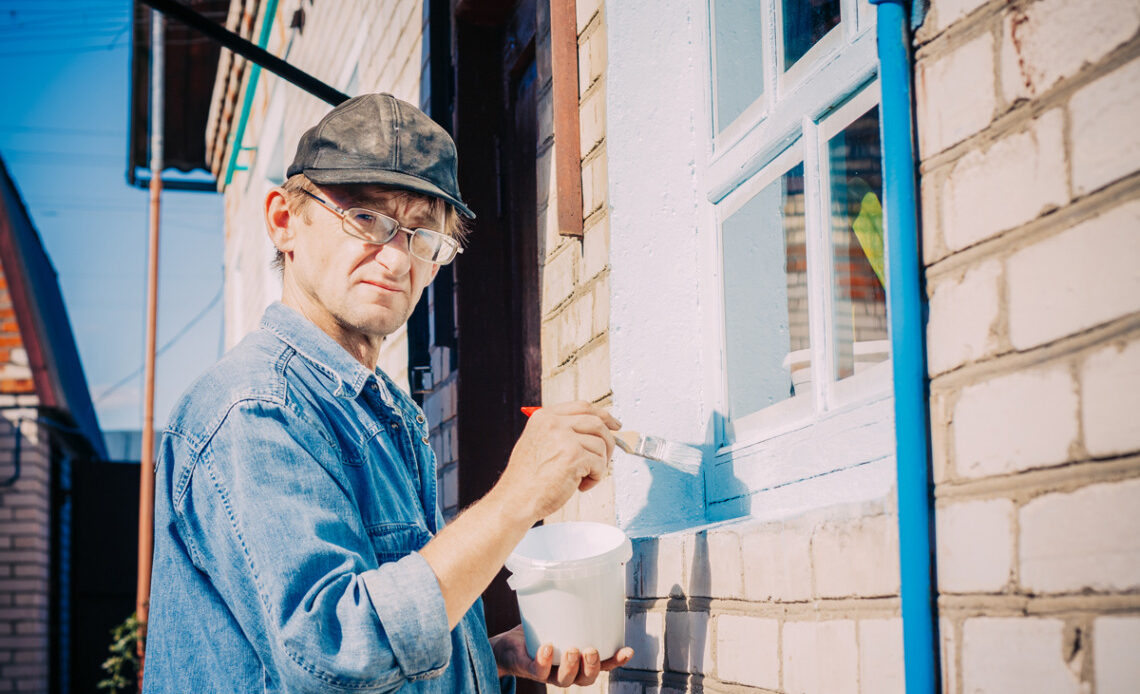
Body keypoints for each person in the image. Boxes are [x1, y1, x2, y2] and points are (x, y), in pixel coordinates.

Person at [143, 93, 633, 693]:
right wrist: (519, 495)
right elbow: (335, 654)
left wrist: (488, 654)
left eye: (425, 236)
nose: (398, 257)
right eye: (367, 219)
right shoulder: (256, 410)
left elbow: (388, 623)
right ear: (284, 220)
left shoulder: (374, 409)